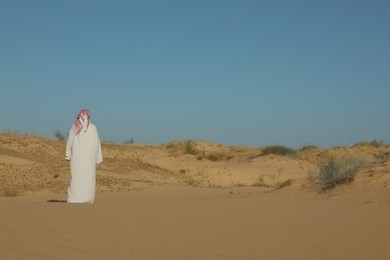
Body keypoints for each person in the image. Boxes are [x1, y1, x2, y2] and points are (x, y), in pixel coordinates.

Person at [65, 109, 103, 203]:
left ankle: (79, 198)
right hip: (83, 159)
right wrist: (98, 157)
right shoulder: (76, 127)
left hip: (84, 159)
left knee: (85, 177)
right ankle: (85, 198)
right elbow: (97, 144)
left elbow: (69, 142)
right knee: (78, 176)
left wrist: (68, 155)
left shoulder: (76, 127)